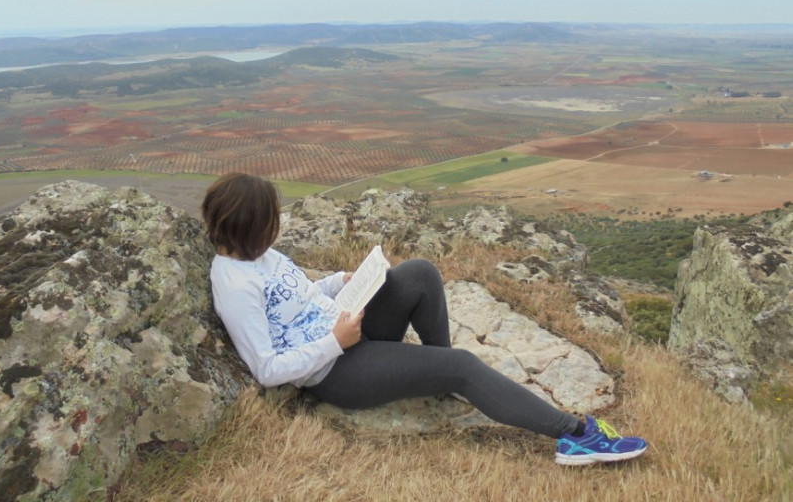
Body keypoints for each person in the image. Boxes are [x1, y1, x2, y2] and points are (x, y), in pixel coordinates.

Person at [201, 172, 647, 466]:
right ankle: (574, 436)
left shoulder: (258, 254)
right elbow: (266, 369)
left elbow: (295, 302)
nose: (275, 229)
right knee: (463, 365)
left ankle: (444, 378)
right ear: (248, 227)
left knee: (420, 274)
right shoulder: (234, 286)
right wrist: (335, 342)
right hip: (336, 371)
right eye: (269, 222)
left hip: (346, 330)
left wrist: (339, 282)